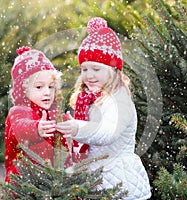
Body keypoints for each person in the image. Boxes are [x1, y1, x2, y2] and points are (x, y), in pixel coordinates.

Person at [56, 17, 151, 199]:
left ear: (113, 70)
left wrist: (77, 128)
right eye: (84, 69)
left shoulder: (119, 99)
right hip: (96, 178)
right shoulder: (89, 99)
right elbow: (85, 143)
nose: (89, 75)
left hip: (119, 182)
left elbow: (108, 132)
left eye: (96, 69)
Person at [4, 46, 68, 183]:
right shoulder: (19, 111)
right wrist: (36, 128)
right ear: (23, 89)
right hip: (23, 182)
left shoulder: (53, 113)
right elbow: (19, 128)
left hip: (48, 181)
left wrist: (71, 127)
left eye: (51, 87)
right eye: (39, 87)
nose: (47, 92)